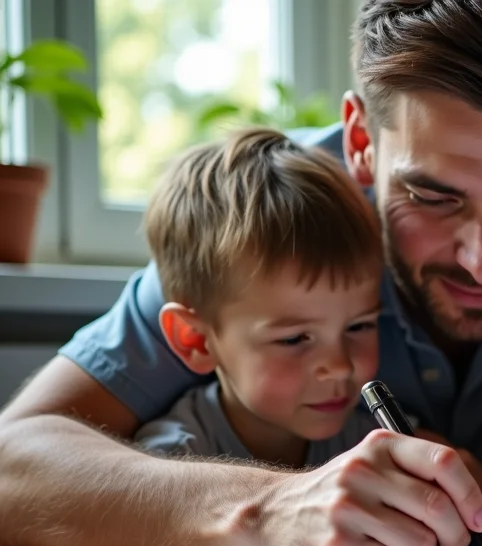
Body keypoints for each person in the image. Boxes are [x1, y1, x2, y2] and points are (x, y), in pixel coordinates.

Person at [0, 0, 482, 546]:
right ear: (362, 142)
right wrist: (272, 510)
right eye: (433, 196)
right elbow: (12, 463)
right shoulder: (272, 221)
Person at [132, 128, 382, 467]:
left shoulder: (374, 444)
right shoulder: (169, 467)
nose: (339, 366)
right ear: (197, 340)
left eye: (359, 326)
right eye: (295, 338)